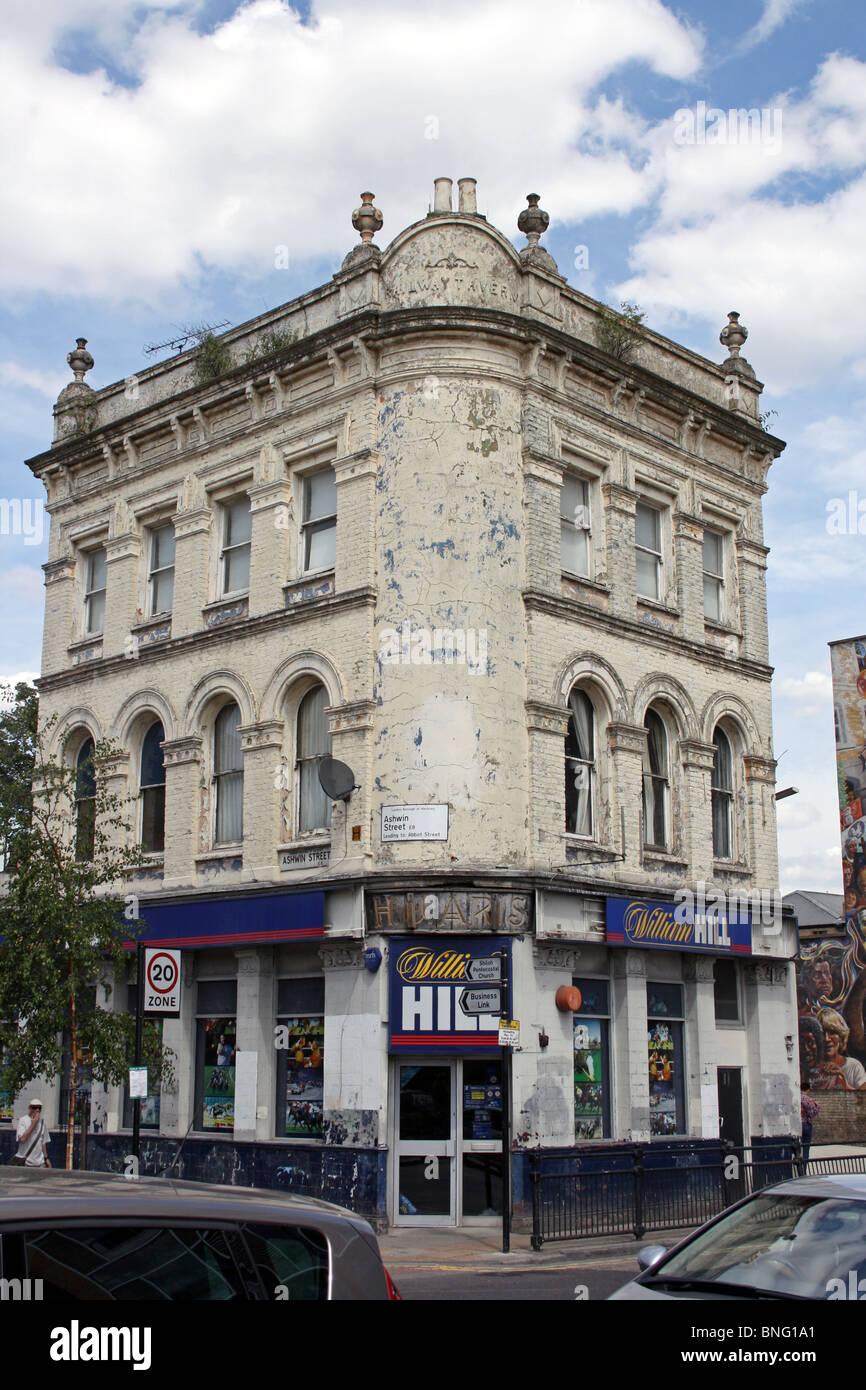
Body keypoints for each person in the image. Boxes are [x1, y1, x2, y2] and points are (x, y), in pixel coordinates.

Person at [814, 1009, 866, 1091]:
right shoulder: (812, 1068)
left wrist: (844, 1085)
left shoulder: (853, 1066)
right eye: (822, 1033)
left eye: (832, 1032)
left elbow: (862, 1102)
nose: (827, 1039)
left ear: (841, 1036)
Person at [15, 1099, 51, 1168]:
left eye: (39, 1108)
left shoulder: (42, 1123)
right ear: (29, 1108)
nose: (37, 1110)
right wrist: (33, 1123)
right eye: (34, 1107)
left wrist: (46, 1158)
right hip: (25, 1162)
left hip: (40, 1162)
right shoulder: (23, 1120)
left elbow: (43, 1143)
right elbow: (22, 1139)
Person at [800, 1084, 819, 1170]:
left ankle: (797, 1168)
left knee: (796, 1148)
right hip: (805, 1125)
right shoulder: (808, 1100)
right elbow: (812, 1113)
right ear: (808, 1090)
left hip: (796, 1126)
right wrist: (817, 1106)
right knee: (805, 1149)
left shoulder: (794, 1097)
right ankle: (803, 1170)